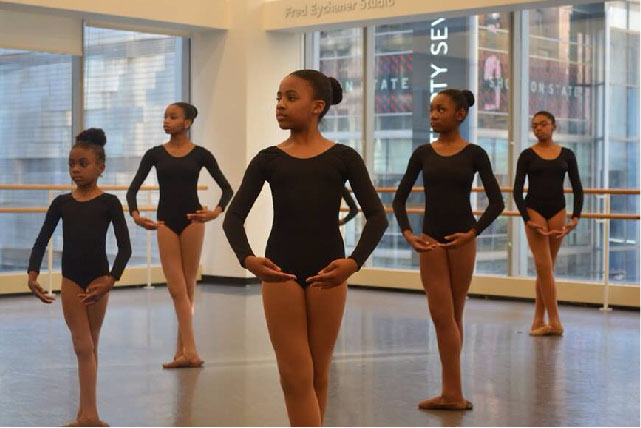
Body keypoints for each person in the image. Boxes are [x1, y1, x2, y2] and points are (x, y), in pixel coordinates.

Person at [223, 69, 388, 426]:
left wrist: (353, 263)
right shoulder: (269, 159)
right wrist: (249, 259)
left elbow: (377, 217)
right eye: (278, 98)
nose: (280, 105)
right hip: (280, 271)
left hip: (329, 271)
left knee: (317, 375)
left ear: (318, 106)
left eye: (290, 98)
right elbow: (232, 217)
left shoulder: (343, 157)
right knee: (294, 377)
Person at [392, 89, 504, 410]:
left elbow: (497, 203)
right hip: (430, 241)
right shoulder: (423, 153)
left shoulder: (475, 154)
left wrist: (472, 233)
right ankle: (452, 391)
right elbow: (399, 199)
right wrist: (409, 234)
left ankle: (451, 392)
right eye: (431, 110)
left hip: (462, 241)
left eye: (441, 109)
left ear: (460, 114)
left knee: (454, 316)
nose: (433, 115)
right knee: (443, 317)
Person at [28, 128, 131, 427]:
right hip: (72, 279)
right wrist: (33, 273)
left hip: (99, 279)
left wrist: (111, 279)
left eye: (82, 163)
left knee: (91, 345)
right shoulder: (62, 203)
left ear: (100, 167)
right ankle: (89, 415)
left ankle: (87, 414)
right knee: (83, 346)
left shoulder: (110, 202)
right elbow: (41, 239)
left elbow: (125, 247)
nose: (75, 169)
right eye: (71, 163)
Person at [126, 102, 233, 368]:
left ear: (187, 123)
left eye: (172, 117)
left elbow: (227, 189)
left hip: (193, 220)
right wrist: (136, 215)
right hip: (165, 222)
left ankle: (185, 352)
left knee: (188, 288)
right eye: (164, 116)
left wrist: (214, 212)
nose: (166, 121)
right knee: (177, 290)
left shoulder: (201, 154)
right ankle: (189, 351)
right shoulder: (154, 154)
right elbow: (133, 189)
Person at [513, 110, 583, 336]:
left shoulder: (567, 155)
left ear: (554, 126)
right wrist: (526, 219)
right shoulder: (527, 155)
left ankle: (537, 320)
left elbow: (577, 187)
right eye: (535, 125)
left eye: (543, 124)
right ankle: (555, 321)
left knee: (547, 270)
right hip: (534, 211)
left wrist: (575, 218)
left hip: (558, 211)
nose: (538, 128)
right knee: (543, 267)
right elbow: (516, 191)